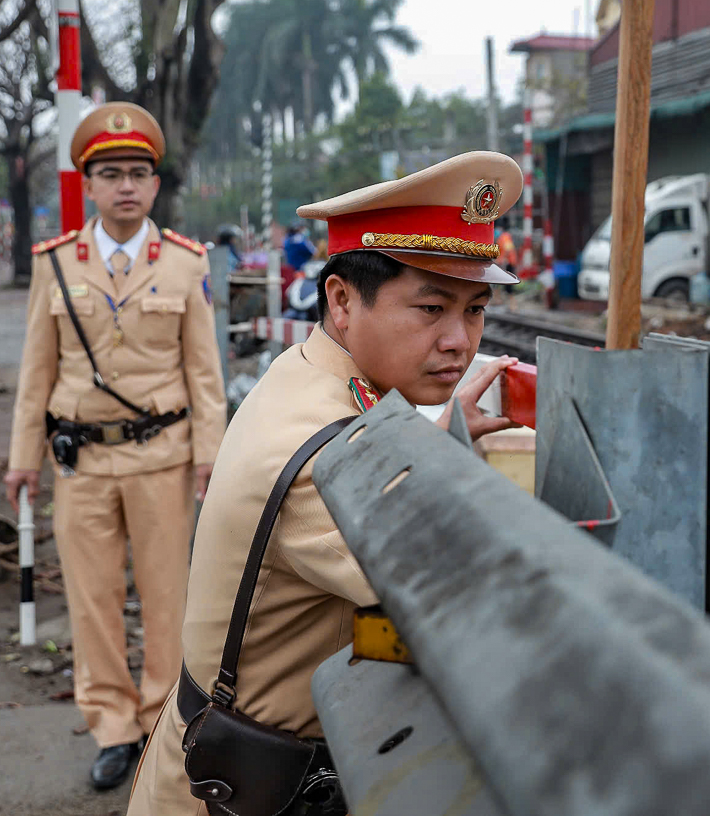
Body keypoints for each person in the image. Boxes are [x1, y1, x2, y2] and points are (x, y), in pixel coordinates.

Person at [128, 151, 525, 814]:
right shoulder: (322, 455)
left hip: (249, 768)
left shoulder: (316, 377)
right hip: (241, 790)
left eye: (476, 310)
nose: (460, 340)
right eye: (431, 308)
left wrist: (451, 427)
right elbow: (469, 601)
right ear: (341, 300)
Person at [3, 101, 227, 789]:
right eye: (110, 174)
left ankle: (164, 724)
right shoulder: (57, 263)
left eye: (137, 173)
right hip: (82, 462)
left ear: (155, 186)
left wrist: (210, 458)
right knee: (92, 601)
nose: (125, 185)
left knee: (168, 601)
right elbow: (38, 368)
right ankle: (111, 725)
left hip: (162, 459)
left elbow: (204, 371)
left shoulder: (187, 265)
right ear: (88, 185)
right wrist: (22, 460)